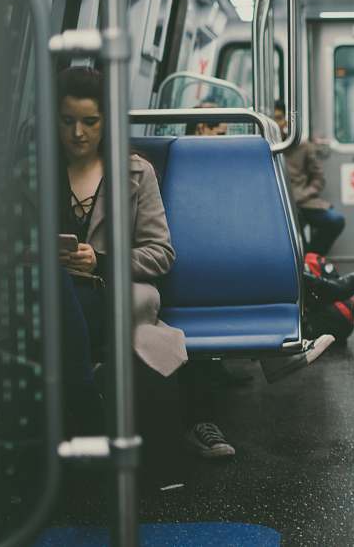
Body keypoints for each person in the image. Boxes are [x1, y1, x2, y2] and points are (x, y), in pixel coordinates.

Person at [53, 67, 237, 458]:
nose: (78, 134)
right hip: (54, 298)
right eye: (67, 122)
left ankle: (86, 414)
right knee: (55, 287)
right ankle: (94, 412)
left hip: (114, 294)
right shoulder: (36, 176)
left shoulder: (136, 173)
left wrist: (100, 262)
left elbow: (160, 253)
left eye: (90, 121)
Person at [284, 137, 346, 255]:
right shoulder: (268, 147)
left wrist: (304, 194)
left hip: (304, 201)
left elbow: (319, 179)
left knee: (335, 221)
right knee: (295, 224)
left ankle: (312, 259)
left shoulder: (304, 147)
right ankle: (302, 261)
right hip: (281, 202)